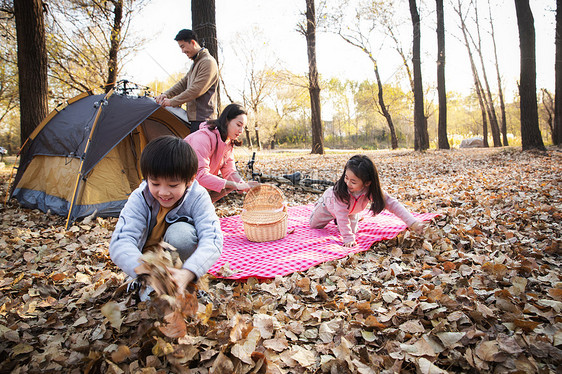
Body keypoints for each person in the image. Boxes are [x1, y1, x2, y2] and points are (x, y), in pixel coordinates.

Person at [109, 135, 223, 299]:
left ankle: (183, 282)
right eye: (155, 184)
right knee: (154, 301)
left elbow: (212, 238)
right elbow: (121, 242)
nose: (163, 192)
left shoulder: (198, 197)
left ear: (190, 180)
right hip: (146, 264)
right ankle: (145, 286)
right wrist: (146, 272)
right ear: (147, 178)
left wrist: (189, 272)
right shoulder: (140, 198)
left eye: (173, 185)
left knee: (181, 234)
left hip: (180, 264)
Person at [309, 155, 426, 247]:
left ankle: (351, 216)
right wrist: (348, 238)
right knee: (314, 225)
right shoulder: (339, 192)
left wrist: (413, 223)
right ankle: (318, 206)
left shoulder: (370, 191)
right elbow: (341, 215)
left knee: (351, 230)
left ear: (367, 183)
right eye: (346, 177)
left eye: (353, 182)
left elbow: (393, 204)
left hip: (351, 211)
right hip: (328, 206)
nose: (348, 183)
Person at [185, 103, 259, 203]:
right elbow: (199, 175)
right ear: (226, 121)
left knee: (230, 185)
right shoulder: (202, 138)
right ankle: (190, 208)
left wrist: (243, 185)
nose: (241, 131)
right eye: (238, 125)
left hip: (196, 186)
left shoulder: (228, 143)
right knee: (230, 184)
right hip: (179, 184)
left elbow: (230, 171)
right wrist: (236, 185)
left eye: (243, 127)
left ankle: (201, 206)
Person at [155, 29, 218, 133]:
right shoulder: (196, 63)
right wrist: (165, 94)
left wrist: (172, 102)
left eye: (183, 46)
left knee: (198, 150)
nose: (182, 51)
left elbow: (196, 90)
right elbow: (183, 84)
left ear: (193, 42)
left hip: (204, 121)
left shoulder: (208, 62)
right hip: (194, 120)